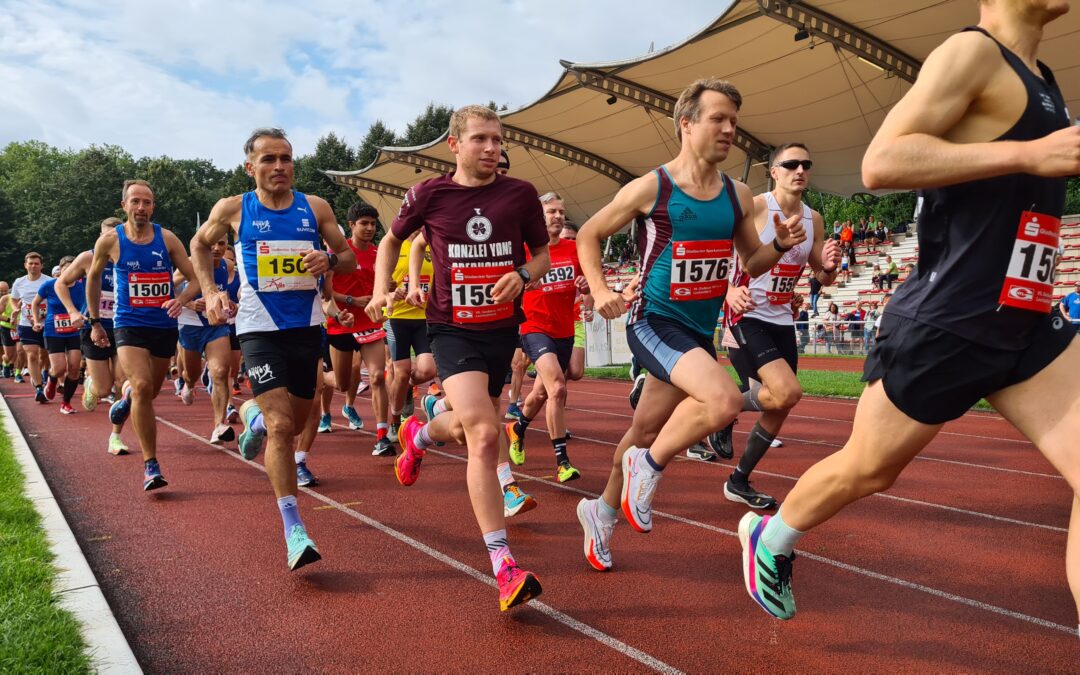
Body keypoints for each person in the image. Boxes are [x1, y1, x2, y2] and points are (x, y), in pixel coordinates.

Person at [737, 0, 1080, 625]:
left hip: (1023, 318)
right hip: (948, 320)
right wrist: (1028, 155)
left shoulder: (1046, 80)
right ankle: (773, 534)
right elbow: (882, 162)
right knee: (869, 469)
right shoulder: (972, 52)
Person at [573, 78, 806, 572]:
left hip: (698, 331)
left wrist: (782, 245)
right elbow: (589, 234)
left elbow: (752, 259)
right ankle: (650, 465)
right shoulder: (651, 187)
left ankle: (601, 511)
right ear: (687, 124)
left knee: (642, 428)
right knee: (722, 400)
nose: (729, 130)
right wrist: (599, 291)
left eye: (734, 123)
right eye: (718, 119)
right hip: (653, 322)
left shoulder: (737, 193)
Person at [365, 105, 551, 611]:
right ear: (455, 145)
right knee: (487, 435)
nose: (492, 149)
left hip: (500, 330)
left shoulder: (520, 195)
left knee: (474, 426)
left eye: (497, 139)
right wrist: (385, 289)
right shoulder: (430, 194)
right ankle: (503, 566)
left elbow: (541, 255)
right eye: (481, 140)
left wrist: (524, 276)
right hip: (450, 330)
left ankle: (418, 434)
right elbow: (390, 241)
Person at [191, 127, 356, 571]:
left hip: (306, 329)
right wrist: (209, 292)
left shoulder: (315, 207)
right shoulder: (233, 209)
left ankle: (251, 417)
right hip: (257, 329)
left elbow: (349, 255)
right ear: (251, 168)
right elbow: (199, 246)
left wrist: (331, 261)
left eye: (285, 158)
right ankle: (294, 528)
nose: (279, 166)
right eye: (268, 159)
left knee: (301, 420)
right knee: (284, 428)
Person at [711, 143, 841, 506]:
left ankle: (739, 479)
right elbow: (715, 251)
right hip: (746, 313)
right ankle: (722, 408)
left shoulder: (813, 218)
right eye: (791, 164)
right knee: (786, 391)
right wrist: (728, 290)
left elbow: (821, 275)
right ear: (774, 171)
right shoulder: (754, 206)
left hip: (782, 318)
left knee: (780, 405)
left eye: (806, 163)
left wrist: (829, 266)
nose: (800, 169)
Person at [85, 179, 201, 490]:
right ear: (123, 205)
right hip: (129, 324)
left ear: (153, 207)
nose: (141, 208)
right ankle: (151, 464)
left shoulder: (167, 239)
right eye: (135, 201)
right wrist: (95, 321)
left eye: (147, 203)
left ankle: (124, 401)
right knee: (140, 384)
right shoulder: (110, 241)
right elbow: (93, 279)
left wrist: (181, 300)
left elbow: (195, 280)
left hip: (163, 325)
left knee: (147, 393)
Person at [505, 191, 589, 484]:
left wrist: (586, 285)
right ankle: (562, 462)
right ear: (539, 218)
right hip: (534, 328)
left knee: (540, 394)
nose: (557, 217)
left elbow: (588, 288)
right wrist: (523, 286)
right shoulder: (525, 251)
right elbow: (504, 289)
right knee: (557, 388)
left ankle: (518, 428)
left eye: (561, 213)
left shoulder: (575, 248)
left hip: (564, 330)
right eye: (551, 212)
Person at [54, 217, 130, 454]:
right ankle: (90, 385)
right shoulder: (88, 257)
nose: (109, 241)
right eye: (105, 236)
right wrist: (73, 311)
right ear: (99, 237)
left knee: (122, 383)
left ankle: (115, 436)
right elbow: (61, 284)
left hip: (123, 326)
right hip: (93, 327)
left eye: (114, 237)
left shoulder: (128, 256)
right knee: (103, 389)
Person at [325, 202, 390, 454]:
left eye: (373, 224)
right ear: (351, 225)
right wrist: (350, 301)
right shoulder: (339, 254)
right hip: (341, 323)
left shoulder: (377, 254)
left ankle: (382, 435)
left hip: (370, 323)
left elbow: (379, 288)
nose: (369, 228)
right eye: (364, 223)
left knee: (376, 376)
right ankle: (319, 379)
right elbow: (326, 292)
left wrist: (391, 289)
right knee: (341, 384)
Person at [175, 235, 236, 444]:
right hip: (191, 326)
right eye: (212, 244)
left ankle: (219, 424)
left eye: (222, 244)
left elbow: (225, 291)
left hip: (216, 325)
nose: (217, 249)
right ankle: (189, 384)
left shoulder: (227, 266)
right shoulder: (190, 264)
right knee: (190, 373)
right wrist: (188, 303)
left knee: (220, 372)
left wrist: (232, 303)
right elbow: (169, 287)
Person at [384, 229, 436, 446]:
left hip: (424, 318)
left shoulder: (432, 246)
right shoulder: (394, 246)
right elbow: (380, 286)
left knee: (428, 370)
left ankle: (405, 387)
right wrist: (389, 293)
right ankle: (395, 422)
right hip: (397, 318)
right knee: (402, 371)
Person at [31, 256, 84, 414]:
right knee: (59, 368)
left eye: (72, 268)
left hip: (74, 330)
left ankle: (66, 403)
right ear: (60, 270)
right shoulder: (49, 285)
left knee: (74, 368)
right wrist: (36, 321)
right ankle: (52, 380)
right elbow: (35, 303)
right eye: (65, 268)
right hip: (53, 330)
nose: (68, 271)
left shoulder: (82, 285)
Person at [11, 252, 52, 402]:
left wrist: (46, 312)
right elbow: (14, 299)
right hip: (26, 324)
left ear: (41, 265)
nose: (33, 266)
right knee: (32, 354)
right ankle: (39, 389)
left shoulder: (49, 281)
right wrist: (16, 309)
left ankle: (45, 373)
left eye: (36, 263)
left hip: (46, 323)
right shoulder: (19, 282)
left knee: (44, 355)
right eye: (30, 263)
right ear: (25, 265)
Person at [0, 282, 18, 379]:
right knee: (9, 354)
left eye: (5, 290)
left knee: (19, 351)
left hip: (20, 328)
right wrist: (9, 320)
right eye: (1, 291)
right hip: (6, 327)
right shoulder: (6, 299)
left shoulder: (26, 298)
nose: (3, 292)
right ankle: (5, 363)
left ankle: (17, 372)